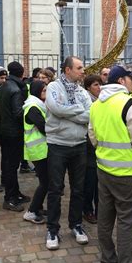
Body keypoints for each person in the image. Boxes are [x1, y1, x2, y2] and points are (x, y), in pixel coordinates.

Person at [89, 65, 132, 263]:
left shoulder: (97, 104)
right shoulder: (129, 104)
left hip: (104, 171)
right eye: (129, 78)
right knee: (126, 224)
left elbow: (93, 136)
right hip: (127, 175)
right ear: (121, 81)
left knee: (105, 221)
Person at [45, 56, 92, 250]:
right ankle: (52, 229)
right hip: (57, 145)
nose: (83, 71)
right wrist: (77, 111)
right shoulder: (54, 88)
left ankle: (76, 225)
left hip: (79, 145)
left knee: (78, 188)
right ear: (67, 70)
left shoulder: (82, 92)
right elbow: (55, 108)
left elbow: (91, 114)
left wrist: (67, 112)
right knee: (55, 189)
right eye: (79, 68)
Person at [0, 61, 31, 211]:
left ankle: (15, 193)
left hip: (5, 130)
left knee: (10, 165)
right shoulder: (15, 89)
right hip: (13, 133)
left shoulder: (4, 86)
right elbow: (18, 113)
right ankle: (10, 199)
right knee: (11, 166)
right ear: (22, 73)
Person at [22, 80, 48, 224]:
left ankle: (37, 208)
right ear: (37, 91)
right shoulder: (33, 107)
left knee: (45, 181)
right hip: (38, 150)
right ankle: (31, 212)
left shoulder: (38, 105)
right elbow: (44, 127)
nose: (46, 93)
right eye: (44, 91)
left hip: (41, 149)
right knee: (45, 182)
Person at [82, 74, 102, 224]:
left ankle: (98, 210)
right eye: (96, 85)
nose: (99, 87)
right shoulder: (87, 101)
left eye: (100, 84)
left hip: (99, 146)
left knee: (98, 182)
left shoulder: (100, 101)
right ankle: (87, 210)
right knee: (89, 181)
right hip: (88, 146)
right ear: (88, 87)